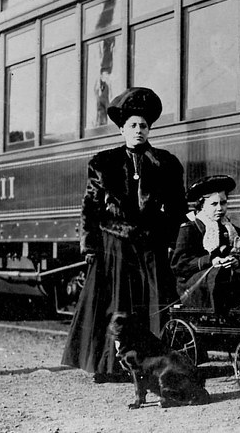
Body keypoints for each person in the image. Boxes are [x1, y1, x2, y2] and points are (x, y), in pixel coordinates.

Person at [61, 87, 186, 383]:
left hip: (149, 247)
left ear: (149, 128)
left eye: (143, 125)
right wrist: (90, 246)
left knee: (151, 305)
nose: (138, 130)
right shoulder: (102, 163)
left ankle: (155, 365)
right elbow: (90, 209)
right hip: (113, 248)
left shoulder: (166, 162)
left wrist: (164, 237)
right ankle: (110, 367)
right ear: (121, 130)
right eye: (132, 125)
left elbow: (178, 207)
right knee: (114, 307)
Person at [170, 174, 240, 312]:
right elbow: (179, 265)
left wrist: (237, 260)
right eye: (214, 204)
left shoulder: (232, 229)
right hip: (195, 285)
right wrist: (212, 260)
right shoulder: (191, 229)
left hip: (225, 276)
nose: (220, 208)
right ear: (201, 205)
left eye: (223, 203)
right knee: (220, 274)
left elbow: (239, 255)